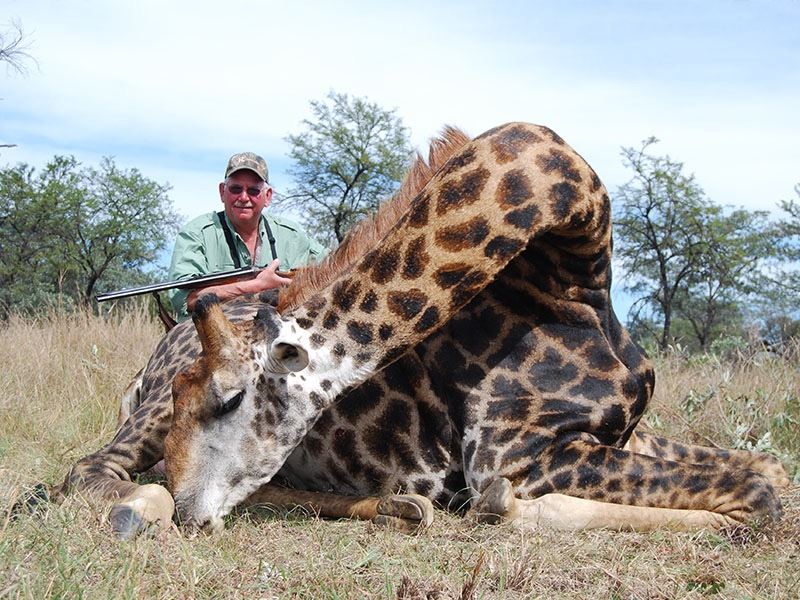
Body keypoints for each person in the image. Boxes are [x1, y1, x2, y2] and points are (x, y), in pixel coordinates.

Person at [168, 152, 325, 320]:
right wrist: (257, 286)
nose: (243, 197)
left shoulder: (292, 235)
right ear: (222, 192)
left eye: (253, 191)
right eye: (236, 189)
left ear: (267, 196)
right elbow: (186, 299)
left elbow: (334, 266)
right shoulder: (196, 233)